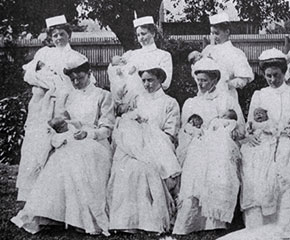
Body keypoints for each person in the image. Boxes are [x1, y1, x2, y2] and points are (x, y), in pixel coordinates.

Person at [11, 52, 115, 236]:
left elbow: (106, 129)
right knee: (59, 160)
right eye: (72, 79)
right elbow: (62, 121)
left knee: (78, 157)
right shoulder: (68, 96)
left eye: (80, 77)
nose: (76, 82)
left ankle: (81, 218)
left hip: (96, 143)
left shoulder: (103, 95)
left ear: (89, 73)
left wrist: (88, 133)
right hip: (72, 140)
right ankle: (51, 215)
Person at [234, 49, 290, 238]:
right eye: (268, 76)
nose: (272, 79)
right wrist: (251, 134)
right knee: (253, 156)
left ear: (284, 73)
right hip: (265, 138)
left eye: (276, 75)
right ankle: (261, 220)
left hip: (289, 138)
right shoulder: (259, 94)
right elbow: (251, 124)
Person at [16, 15, 84, 201]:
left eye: (62, 34)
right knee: (37, 142)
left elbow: (82, 82)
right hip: (42, 105)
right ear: (50, 37)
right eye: (55, 35)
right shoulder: (43, 53)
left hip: (65, 104)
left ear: (69, 35)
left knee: (61, 141)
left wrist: (56, 84)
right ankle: (32, 191)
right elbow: (28, 75)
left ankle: (59, 193)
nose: (59, 38)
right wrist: (47, 82)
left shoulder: (77, 57)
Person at [173, 58, 245, 235]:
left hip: (220, 143)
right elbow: (184, 128)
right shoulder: (191, 102)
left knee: (217, 158)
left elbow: (239, 127)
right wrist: (193, 130)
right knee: (197, 158)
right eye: (198, 80)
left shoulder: (226, 99)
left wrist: (224, 129)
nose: (201, 84)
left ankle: (215, 220)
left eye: (204, 80)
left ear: (214, 80)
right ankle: (192, 220)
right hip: (197, 142)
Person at [107, 66, 181, 234]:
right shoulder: (137, 99)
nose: (147, 84)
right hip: (134, 147)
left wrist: (147, 129)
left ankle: (148, 221)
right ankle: (126, 221)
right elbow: (126, 120)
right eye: (144, 81)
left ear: (160, 80)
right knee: (126, 169)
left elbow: (170, 134)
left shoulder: (169, 102)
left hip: (158, 147)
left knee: (145, 170)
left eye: (151, 80)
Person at [108, 16, 173, 110]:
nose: (141, 38)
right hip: (129, 104)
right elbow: (118, 77)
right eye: (138, 35)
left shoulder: (163, 55)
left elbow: (165, 83)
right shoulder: (131, 55)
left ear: (153, 33)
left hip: (152, 103)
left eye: (143, 34)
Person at [201, 12, 254, 100]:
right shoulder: (207, 50)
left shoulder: (236, 53)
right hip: (206, 95)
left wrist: (226, 85)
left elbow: (244, 79)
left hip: (226, 96)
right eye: (212, 33)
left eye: (217, 33)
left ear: (227, 32)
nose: (214, 37)